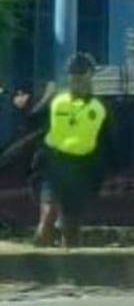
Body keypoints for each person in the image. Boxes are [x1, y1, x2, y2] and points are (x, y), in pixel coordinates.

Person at [33, 54, 113, 248]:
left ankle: (70, 270)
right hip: (53, 164)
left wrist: (105, 172)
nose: (76, 77)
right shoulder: (56, 99)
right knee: (48, 216)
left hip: (81, 168)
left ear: (90, 75)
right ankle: (36, 265)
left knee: (72, 225)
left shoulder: (101, 107)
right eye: (72, 73)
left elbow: (109, 142)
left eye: (81, 73)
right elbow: (33, 121)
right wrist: (31, 102)